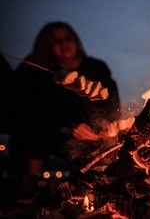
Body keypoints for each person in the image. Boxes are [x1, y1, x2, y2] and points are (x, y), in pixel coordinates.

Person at [14, 21, 121, 178]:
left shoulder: (96, 67)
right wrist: (70, 128)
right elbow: (34, 111)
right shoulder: (38, 71)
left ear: (76, 41)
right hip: (56, 138)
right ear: (47, 46)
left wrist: (107, 125)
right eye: (56, 40)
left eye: (68, 38)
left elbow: (112, 101)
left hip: (98, 137)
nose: (63, 43)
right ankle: (31, 179)